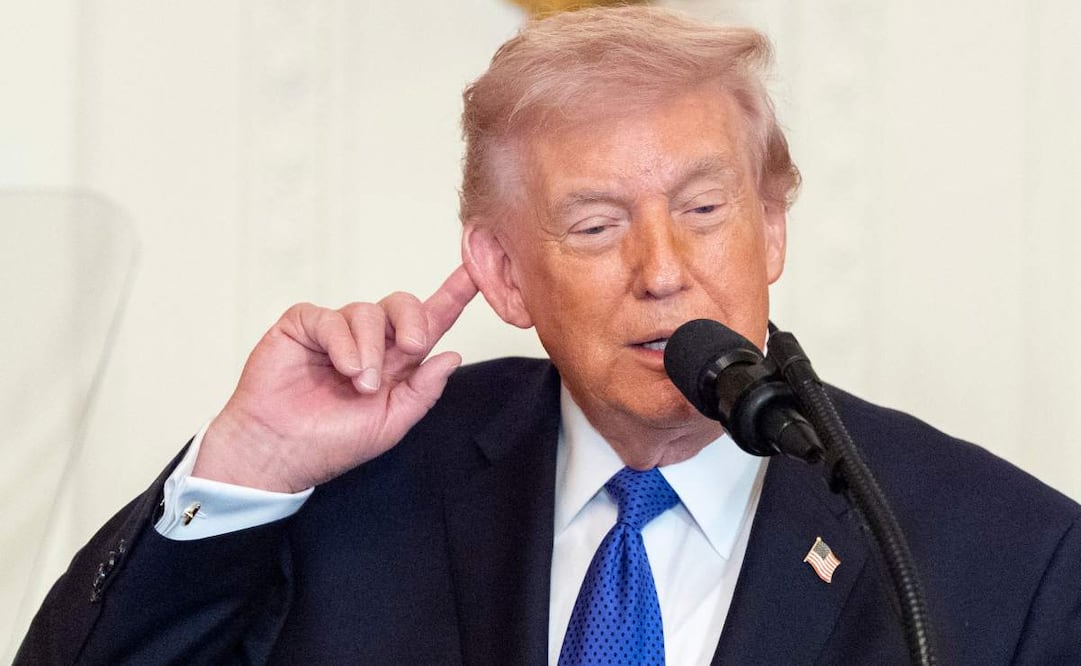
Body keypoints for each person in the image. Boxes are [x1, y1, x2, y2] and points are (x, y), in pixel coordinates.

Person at [18, 6, 1081, 664]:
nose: (662, 270)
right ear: (502, 275)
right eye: (595, 225)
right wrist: (251, 465)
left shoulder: (1005, 558)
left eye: (704, 211)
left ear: (773, 229)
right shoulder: (357, 497)